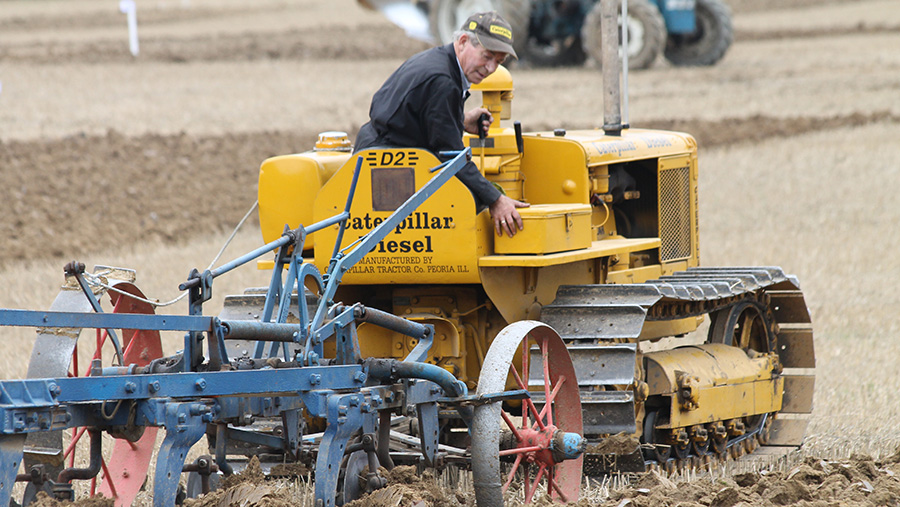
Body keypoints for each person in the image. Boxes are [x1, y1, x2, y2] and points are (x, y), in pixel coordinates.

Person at [355, 11, 529, 238]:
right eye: (487, 56)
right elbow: (451, 157)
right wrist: (496, 199)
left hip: (379, 149)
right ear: (463, 41)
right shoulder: (443, 81)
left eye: (499, 61)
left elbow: (409, 117)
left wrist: (459, 121)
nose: (490, 68)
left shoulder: (438, 61)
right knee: (471, 201)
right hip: (388, 166)